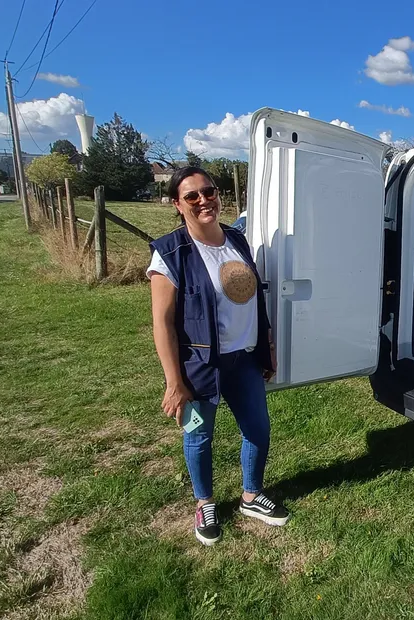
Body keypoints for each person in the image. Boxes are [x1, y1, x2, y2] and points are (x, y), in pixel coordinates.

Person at [147, 166, 288, 546]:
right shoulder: (170, 253)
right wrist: (174, 383)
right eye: (191, 196)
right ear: (177, 204)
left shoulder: (237, 240)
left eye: (208, 192)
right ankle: (204, 503)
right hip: (199, 367)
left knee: (258, 429)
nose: (203, 200)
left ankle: (251, 495)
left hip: (244, 359)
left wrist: (267, 346)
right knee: (198, 435)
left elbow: (254, 299)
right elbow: (162, 324)